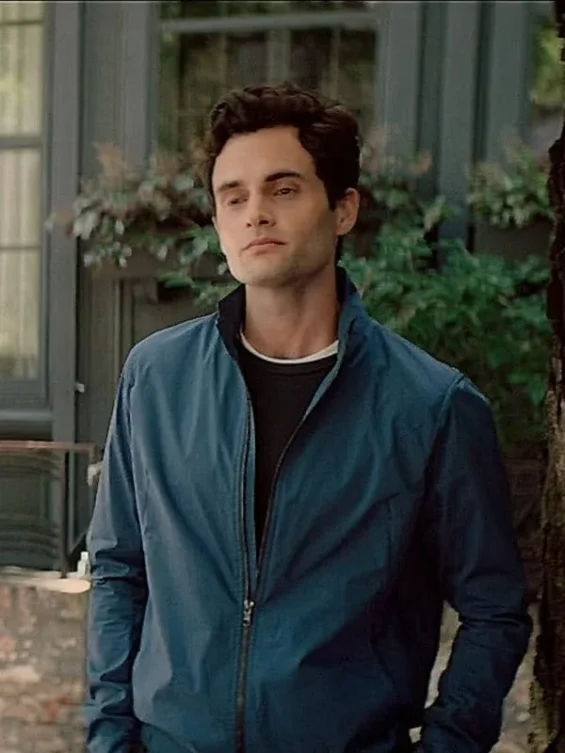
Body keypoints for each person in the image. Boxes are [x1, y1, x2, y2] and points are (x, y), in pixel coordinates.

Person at [85, 83, 533, 753]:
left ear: (343, 208)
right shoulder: (155, 378)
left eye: (284, 188)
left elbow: (494, 610)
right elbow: (119, 570)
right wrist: (110, 739)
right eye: (233, 196)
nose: (255, 213)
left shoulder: (431, 405)